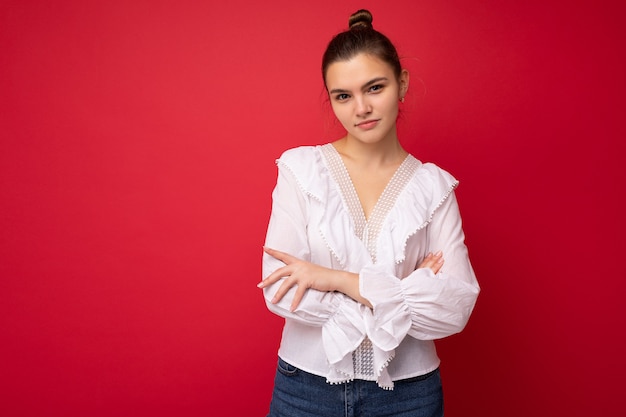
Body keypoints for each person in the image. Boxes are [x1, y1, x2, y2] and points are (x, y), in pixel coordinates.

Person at [257, 9, 479, 417]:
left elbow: (455, 306)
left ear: (402, 83)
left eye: (374, 87)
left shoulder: (434, 187)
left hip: (408, 395)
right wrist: (400, 293)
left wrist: (334, 279)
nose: (360, 108)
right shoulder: (301, 171)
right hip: (304, 389)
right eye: (343, 95)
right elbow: (279, 290)